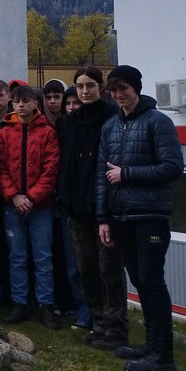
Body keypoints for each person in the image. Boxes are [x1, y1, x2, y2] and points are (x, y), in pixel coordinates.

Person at [96, 64, 184, 371]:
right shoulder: (111, 126)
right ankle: (151, 344)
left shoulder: (158, 122)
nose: (118, 94)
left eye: (124, 88)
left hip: (150, 216)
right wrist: (103, 218)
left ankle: (163, 355)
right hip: (121, 216)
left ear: (137, 88)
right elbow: (102, 175)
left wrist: (127, 174)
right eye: (114, 90)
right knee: (139, 281)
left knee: (151, 281)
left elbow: (173, 167)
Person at [60, 66, 124, 345]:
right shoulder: (72, 121)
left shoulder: (112, 118)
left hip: (103, 209)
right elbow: (67, 163)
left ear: (101, 87)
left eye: (90, 85)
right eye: (80, 86)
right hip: (76, 208)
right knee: (86, 269)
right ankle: (99, 323)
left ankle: (116, 328)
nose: (84, 91)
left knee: (109, 270)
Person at [0, 84, 61, 329]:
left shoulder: (48, 133)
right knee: (17, 256)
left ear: (35, 103)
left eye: (25, 101)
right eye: (16, 101)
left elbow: (51, 169)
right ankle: (19, 302)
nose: (21, 105)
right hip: (12, 205)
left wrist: (32, 198)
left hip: (40, 206)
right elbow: (0, 167)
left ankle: (45, 304)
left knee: (43, 257)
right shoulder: (4, 133)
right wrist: (14, 196)